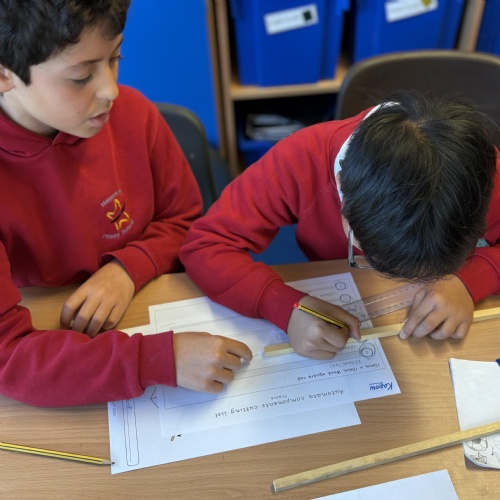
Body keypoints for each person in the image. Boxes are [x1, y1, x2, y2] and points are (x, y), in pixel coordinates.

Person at [0, 0, 252, 407]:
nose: (111, 90)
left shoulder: (134, 114)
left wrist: (128, 268)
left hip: (147, 305)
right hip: (60, 336)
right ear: (4, 74)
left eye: (115, 58)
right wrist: (156, 360)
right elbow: (9, 358)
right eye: (81, 76)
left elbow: (185, 220)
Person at [181, 91, 500, 360]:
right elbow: (205, 245)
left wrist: (471, 280)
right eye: (365, 255)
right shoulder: (300, 159)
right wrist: (283, 306)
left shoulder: (481, 172)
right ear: (341, 191)